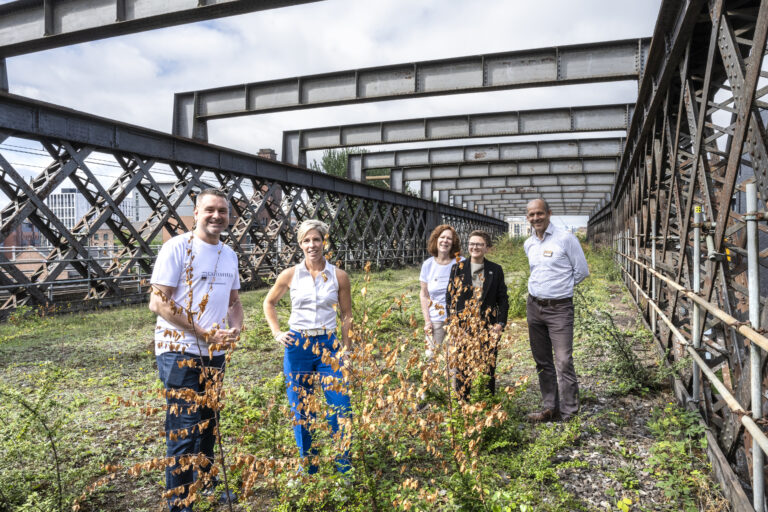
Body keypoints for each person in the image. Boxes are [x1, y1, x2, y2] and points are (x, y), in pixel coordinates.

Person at [149, 189, 243, 512]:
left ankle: (206, 484)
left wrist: (236, 329)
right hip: (179, 351)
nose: (217, 216)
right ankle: (180, 505)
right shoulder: (177, 248)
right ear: (196, 212)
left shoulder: (229, 254)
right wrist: (202, 332)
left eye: (223, 211)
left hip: (214, 355)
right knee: (185, 430)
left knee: (208, 423)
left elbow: (235, 303)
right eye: (210, 210)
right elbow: (157, 301)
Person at [263, 219, 352, 475]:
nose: (312, 245)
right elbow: (269, 303)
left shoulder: (339, 276)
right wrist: (277, 332)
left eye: (316, 239)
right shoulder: (290, 275)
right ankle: (308, 467)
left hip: (329, 345)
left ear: (324, 241)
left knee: (340, 406)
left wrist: (347, 349)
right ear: (300, 244)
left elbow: (346, 316)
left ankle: (343, 466)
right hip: (298, 345)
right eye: (306, 240)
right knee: (301, 408)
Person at [524, 198, 589, 422]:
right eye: (531, 215)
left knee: (563, 360)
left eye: (539, 213)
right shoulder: (528, 243)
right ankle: (550, 408)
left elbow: (581, 271)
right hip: (534, 307)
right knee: (542, 360)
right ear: (527, 218)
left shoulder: (566, 239)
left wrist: (560, 290)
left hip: (559, 308)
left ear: (548, 213)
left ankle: (570, 413)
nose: (536, 218)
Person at [446, 230, 508, 400]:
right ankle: (462, 404)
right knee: (462, 368)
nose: (475, 247)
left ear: (487, 248)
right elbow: (450, 299)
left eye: (479, 244)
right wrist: (455, 327)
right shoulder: (457, 268)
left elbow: (503, 299)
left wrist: (499, 324)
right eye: (472, 243)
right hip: (463, 328)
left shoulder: (495, 270)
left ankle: (486, 403)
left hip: (488, 328)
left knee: (488, 367)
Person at [419, 224, 462, 360]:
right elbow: (424, 294)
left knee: (454, 359)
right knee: (430, 357)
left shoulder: (461, 263)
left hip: (456, 319)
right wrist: (427, 321)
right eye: (442, 237)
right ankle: (431, 382)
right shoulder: (428, 264)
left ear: (453, 242)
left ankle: (454, 382)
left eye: (449, 238)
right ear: (436, 240)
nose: (445, 241)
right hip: (435, 318)